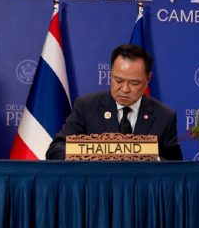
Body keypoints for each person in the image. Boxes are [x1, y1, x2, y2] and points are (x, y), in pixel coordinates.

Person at [46, 44, 183, 160]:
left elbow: (175, 167)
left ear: (148, 78)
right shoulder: (86, 107)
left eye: (134, 83)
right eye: (118, 80)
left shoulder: (164, 116)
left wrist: (148, 158)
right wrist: (93, 154)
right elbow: (55, 151)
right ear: (110, 74)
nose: (124, 89)